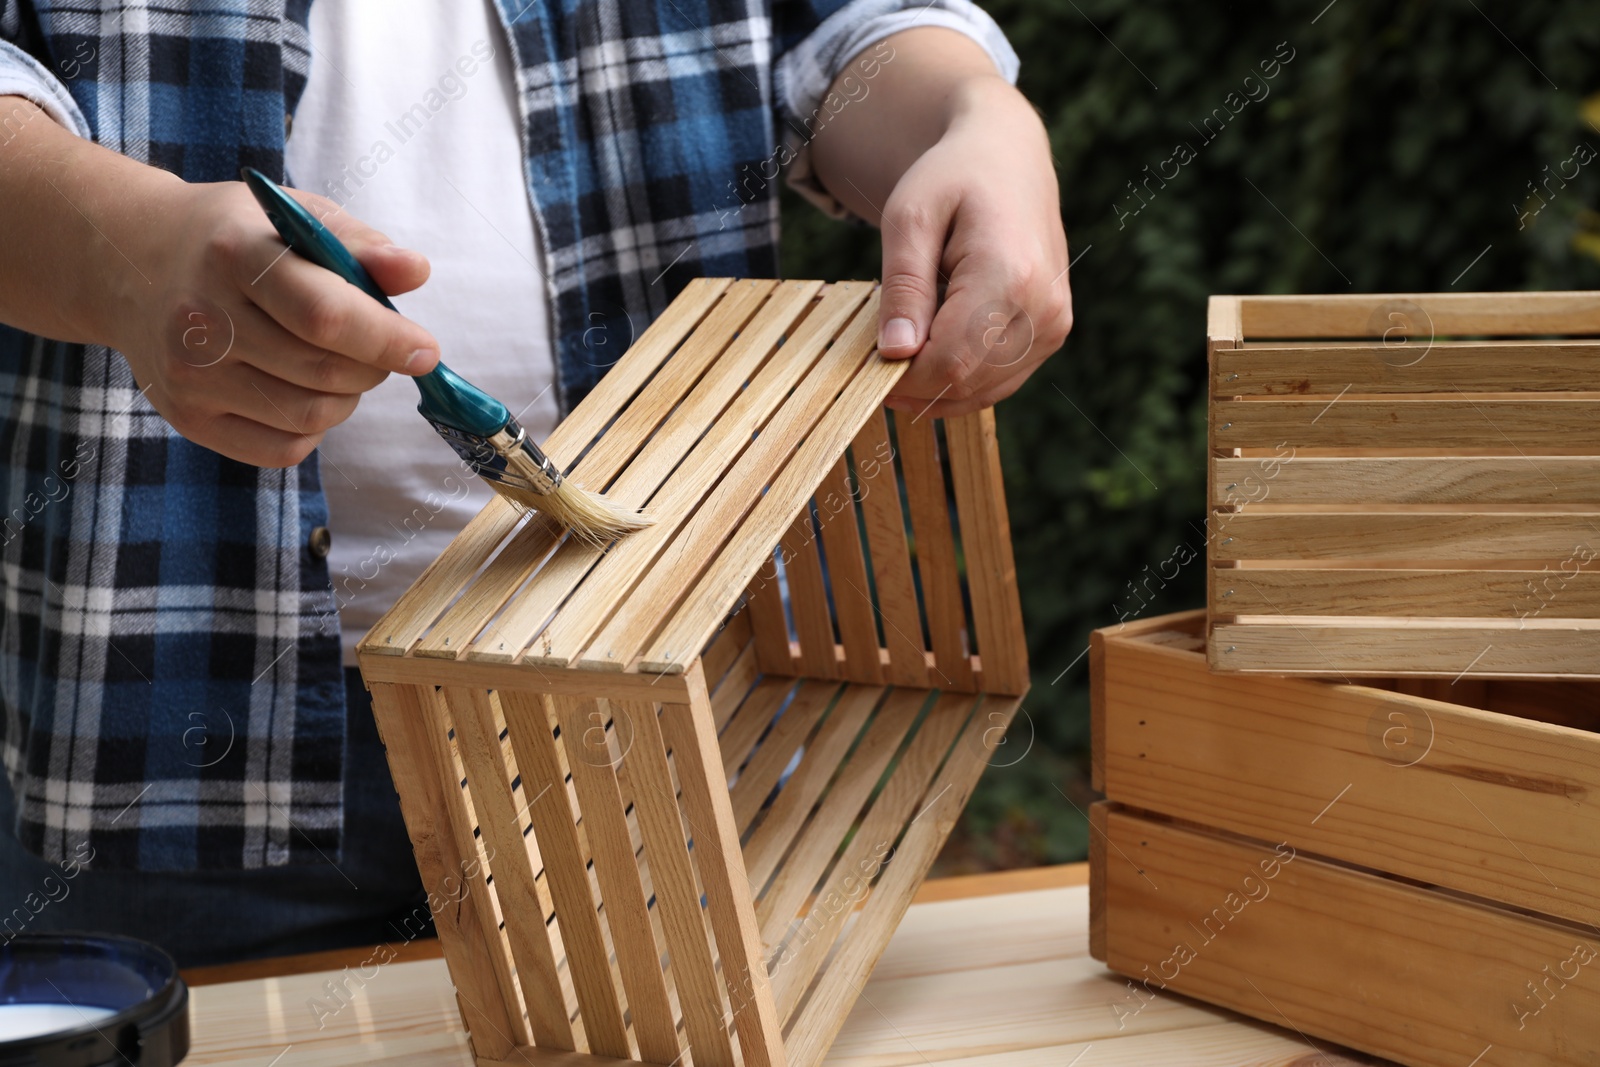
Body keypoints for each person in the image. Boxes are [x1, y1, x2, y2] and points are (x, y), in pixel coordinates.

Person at [0, 0, 1070, 966]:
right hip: (172, 756)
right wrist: (116, 249)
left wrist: (976, 118)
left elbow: (840, 34)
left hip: (670, 706)